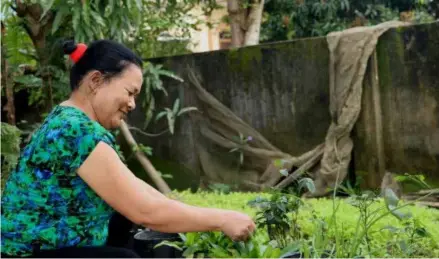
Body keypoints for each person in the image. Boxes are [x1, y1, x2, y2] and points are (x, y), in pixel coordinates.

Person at [0, 39, 256, 258]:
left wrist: (184, 210)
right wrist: (221, 219)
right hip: (27, 253)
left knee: (124, 223)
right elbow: (145, 211)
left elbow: (133, 187)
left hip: (41, 248)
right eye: (130, 92)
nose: (133, 104)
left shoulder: (67, 120)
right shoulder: (75, 131)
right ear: (96, 81)